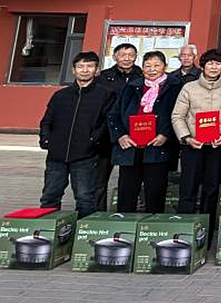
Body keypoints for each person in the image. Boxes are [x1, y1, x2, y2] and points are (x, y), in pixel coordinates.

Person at [38, 51, 115, 218]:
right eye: (80, 66)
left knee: (85, 198)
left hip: (86, 155)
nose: (85, 70)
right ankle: (47, 229)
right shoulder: (60, 95)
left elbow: (106, 123)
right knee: (50, 196)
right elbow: (47, 121)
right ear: (73, 70)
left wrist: (92, 141)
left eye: (89, 66)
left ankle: (82, 231)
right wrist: (46, 139)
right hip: (56, 155)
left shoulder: (106, 94)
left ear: (97, 70)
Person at [107, 51, 182, 213]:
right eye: (147, 66)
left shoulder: (175, 86)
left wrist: (166, 134)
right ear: (142, 68)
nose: (152, 69)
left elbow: (179, 115)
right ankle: (124, 224)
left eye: (156, 65)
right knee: (127, 192)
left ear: (165, 67)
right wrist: (121, 135)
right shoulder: (131, 86)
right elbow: (114, 114)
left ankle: (151, 225)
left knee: (155, 193)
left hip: (158, 147)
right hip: (130, 147)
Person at [171, 48, 221, 224]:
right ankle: (185, 227)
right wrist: (186, 137)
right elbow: (177, 116)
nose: (214, 67)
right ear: (202, 66)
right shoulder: (189, 88)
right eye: (210, 63)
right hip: (192, 146)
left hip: (217, 146)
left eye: (218, 64)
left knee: (212, 188)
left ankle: (206, 229)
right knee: (188, 187)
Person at [96, 42, 142, 211]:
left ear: (136, 57)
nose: (127, 59)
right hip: (105, 136)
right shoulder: (103, 77)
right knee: (99, 180)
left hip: (132, 136)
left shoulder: (142, 76)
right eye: (123, 55)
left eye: (131, 55)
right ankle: (98, 214)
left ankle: (127, 214)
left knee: (130, 180)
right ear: (115, 56)